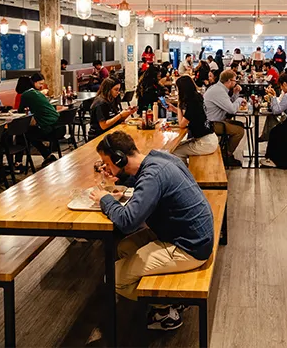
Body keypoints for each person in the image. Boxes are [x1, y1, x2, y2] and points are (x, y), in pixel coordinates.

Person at [88, 130, 214, 330]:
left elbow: (127, 221)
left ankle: (167, 308)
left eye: (107, 162)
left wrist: (105, 199)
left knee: (113, 278)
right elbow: (145, 186)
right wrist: (120, 181)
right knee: (125, 247)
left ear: (119, 159)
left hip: (190, 246)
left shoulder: (152, 175)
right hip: (190, 232)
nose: (105, 166)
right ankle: (164, 294)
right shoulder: (158, 158)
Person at [167, 76, 218, 160]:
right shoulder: (197, 97)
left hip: (205, 143)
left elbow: (181, 124)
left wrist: (179, 105)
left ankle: (183, 172)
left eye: (177, 88)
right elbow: (189, 116)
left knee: (174, 152)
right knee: (177, 147)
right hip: (209, 138)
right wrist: (174, 109)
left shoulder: (192, 103)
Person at [17, 77, 64, 167]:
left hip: (50, 129)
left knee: (24, 134)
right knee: (27, 133)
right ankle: (47, 155)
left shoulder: (25, 95)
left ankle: (18, 163)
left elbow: (20, 112)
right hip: (59, 127)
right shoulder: (37, 93)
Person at [204, 70, 246, 167]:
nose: (236, 83)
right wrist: (239, 99)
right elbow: (231, 109)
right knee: (239, 131)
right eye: (235, 81)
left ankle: (225, 151)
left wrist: (235, 94)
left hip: (215, 120)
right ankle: (226, 156)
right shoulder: (219, 91)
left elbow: (228, 104)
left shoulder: (218, 88)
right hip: (212, 123)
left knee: (240, 125)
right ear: (228, 81)